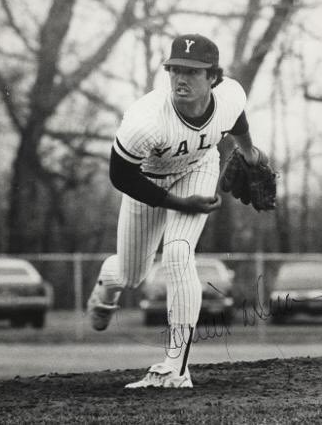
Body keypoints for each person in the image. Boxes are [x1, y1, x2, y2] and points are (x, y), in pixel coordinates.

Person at [87, 33, 263, 388]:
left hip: (198, 169)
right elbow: (120, 176)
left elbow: (238, 120)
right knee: (131, 275)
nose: (181, 78)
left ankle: (175, 368)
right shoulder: (146, 121)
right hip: (145, 183)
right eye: (175, 69)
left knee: (178, 253)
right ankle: (109, 281)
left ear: (214, 77)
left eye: (193, 72)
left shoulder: (230, 95)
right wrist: (180, 204)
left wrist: (250, 155)